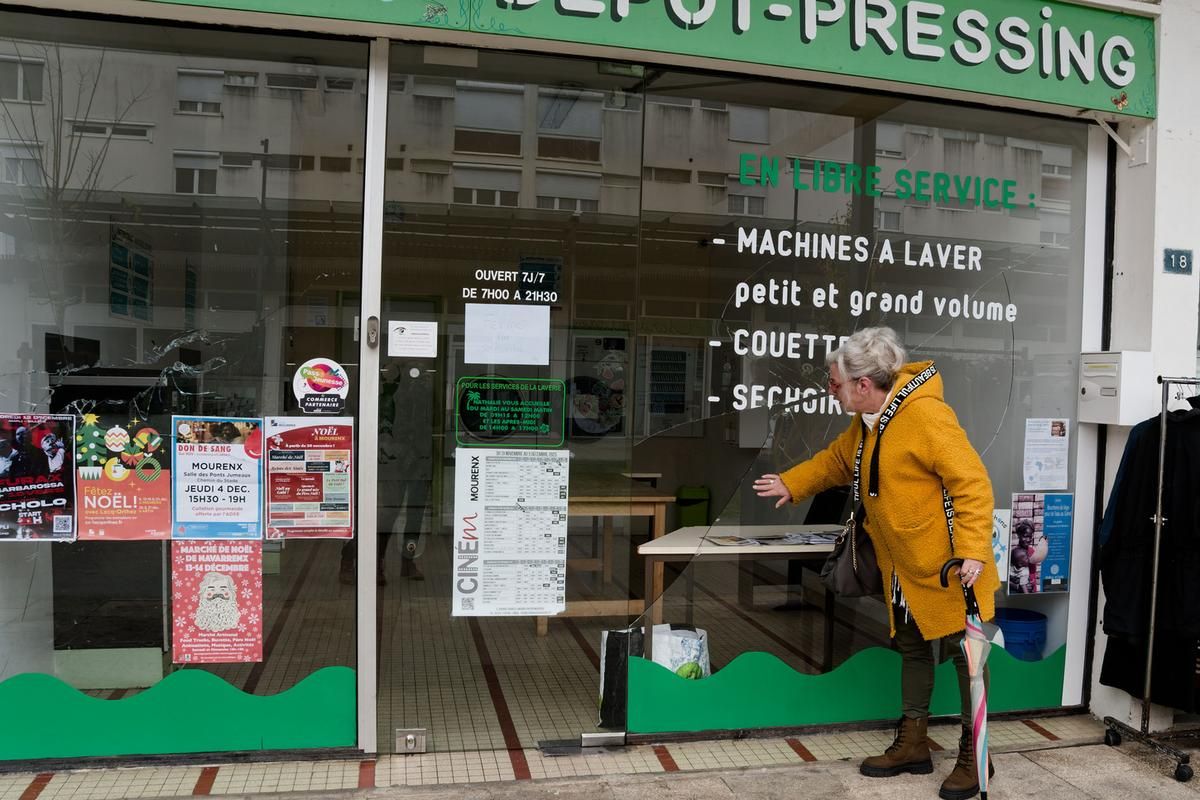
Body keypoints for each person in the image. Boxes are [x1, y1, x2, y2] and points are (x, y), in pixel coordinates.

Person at [754, 326, 999, 800]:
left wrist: (972, 549)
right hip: (902, 567)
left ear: (863, 385)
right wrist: (792, 482)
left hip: (948, 568)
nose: (831, 390)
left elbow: (972, 482)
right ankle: (913, 743)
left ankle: (975, 754)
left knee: (966, 658)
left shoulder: (926, 417)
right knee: (911, 648)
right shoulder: (867, 424)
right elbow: (836, 463)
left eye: (834, 383)